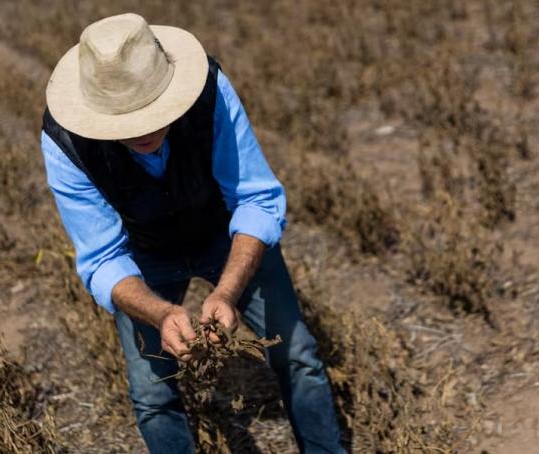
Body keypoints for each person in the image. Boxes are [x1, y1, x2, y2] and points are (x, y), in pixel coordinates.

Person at [39, 13, 344, 453]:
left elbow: (254, 199)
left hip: (225, 233)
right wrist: (162, 314)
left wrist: (226, 291)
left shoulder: (210, 92)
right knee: (152, 395)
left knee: (298, 356)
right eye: (125, 120)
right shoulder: (64, 140)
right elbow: (103, 257)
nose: (142, 130)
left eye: (150, 112)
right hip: (144, 254)